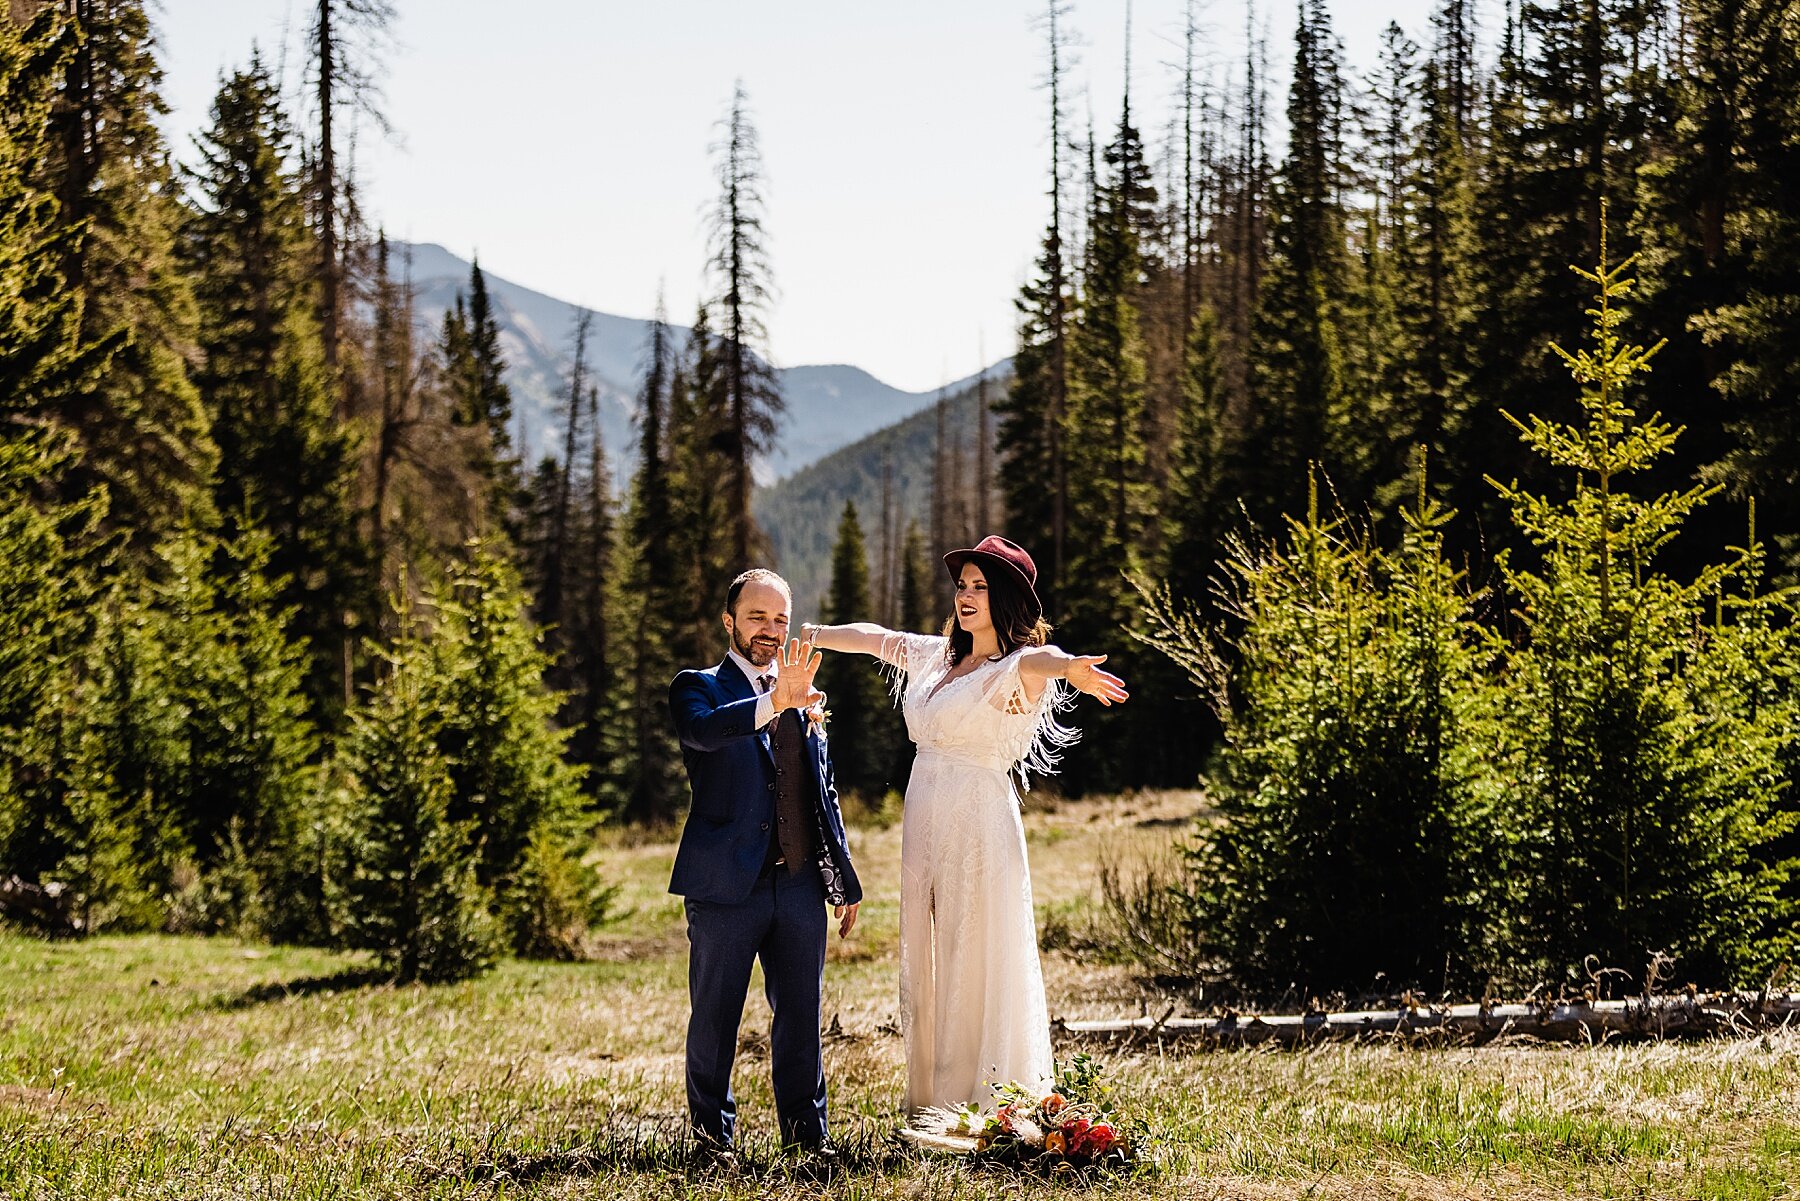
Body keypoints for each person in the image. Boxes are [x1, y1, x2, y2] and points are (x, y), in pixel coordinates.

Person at [801, 535, 1127, 1117]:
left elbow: (1040, 661)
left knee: (973, 945)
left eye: (980, 586)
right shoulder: (937, 657)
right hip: (923, 817)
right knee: (928, 950)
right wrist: (814, 636)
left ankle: (985, 1096)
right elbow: (876, 638)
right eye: (962, 585)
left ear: (1003, 597)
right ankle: (934, 1096)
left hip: (979, 823)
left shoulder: (1014, 668)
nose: (966, 596)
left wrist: (1071, 668)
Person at [668, 568, 863, 1164]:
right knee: (716, 1019)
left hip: (799, 883)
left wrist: (843, 877)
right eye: (757, 617)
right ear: (730, 622)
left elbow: (821, 792)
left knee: (801, 1020)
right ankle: (710, 1145)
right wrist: (773, 701)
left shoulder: (805, 696)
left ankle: (808, 1144)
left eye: (780, 619)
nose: (770, 630)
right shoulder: (697, 686)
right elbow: (703, 736)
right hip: (726, 887)